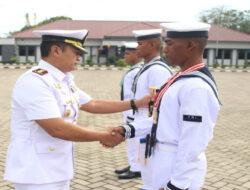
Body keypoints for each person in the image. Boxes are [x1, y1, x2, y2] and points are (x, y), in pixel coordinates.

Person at [4, 29, 151, 190]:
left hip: (57, 168)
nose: (79, 58)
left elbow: (92, 104)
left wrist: (135, 103)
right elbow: (57, 128)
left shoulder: (64, 80)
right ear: (56, 51)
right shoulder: (35, 81)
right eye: (76, 52)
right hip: (36, 172)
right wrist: (105, 136)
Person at [109, 22, 221, 190]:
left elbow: (193, 144)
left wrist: (177, 186)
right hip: (162, 157)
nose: (165, 49)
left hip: (176, 166)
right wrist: (127, 130)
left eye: (169, 43)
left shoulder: (196, 87)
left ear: (190, 45)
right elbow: (161, 121)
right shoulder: (180, 79)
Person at [117, 29, 173, 188]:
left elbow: (157, 105)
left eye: (140, 44)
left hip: (150, 130)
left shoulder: (158, 70)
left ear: (152, 44)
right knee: (147, 173)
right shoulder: (149, 67)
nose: (137, 48)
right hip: (142, 127)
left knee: (153, 174)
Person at [115, 42, 144, 179]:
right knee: (131, 142)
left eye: (127, 53)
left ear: (136, 54)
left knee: (134, 142)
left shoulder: (138, 71)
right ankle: (133, 164)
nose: (124, 56)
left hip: (133, 113)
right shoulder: (134, 70)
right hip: (129, 112)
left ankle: (136, 168)